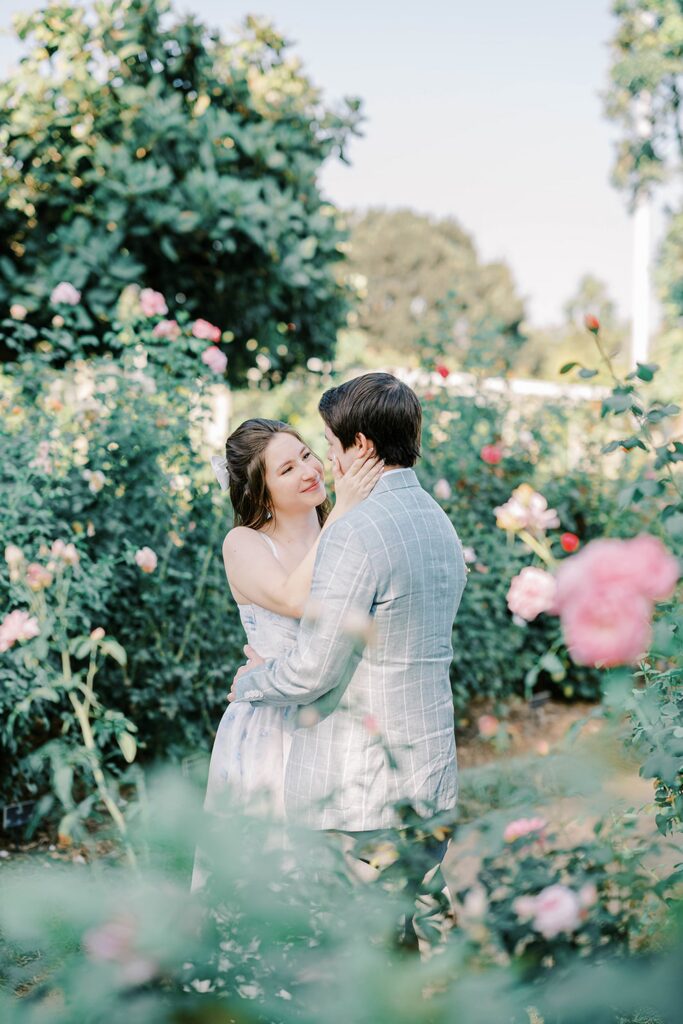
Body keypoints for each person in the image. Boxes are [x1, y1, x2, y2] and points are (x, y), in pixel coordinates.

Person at [228, 373, 467, 933]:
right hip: (429, 773)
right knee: (421, 925)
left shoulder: (354, 530)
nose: (323, 462)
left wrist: (250, 681)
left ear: (359, 444)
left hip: (362, 784)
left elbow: (314, 669)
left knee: (360, 947)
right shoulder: (437, 520)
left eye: (325, 447)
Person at [201, 417, 383, 821]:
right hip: (275, 727)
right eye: (287, 469)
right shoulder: (244, 542)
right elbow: (296, 599)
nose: (309, 470)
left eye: (306, 455)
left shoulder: (349, 529)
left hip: (346, 713)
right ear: (261, 492)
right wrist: (344, 509)